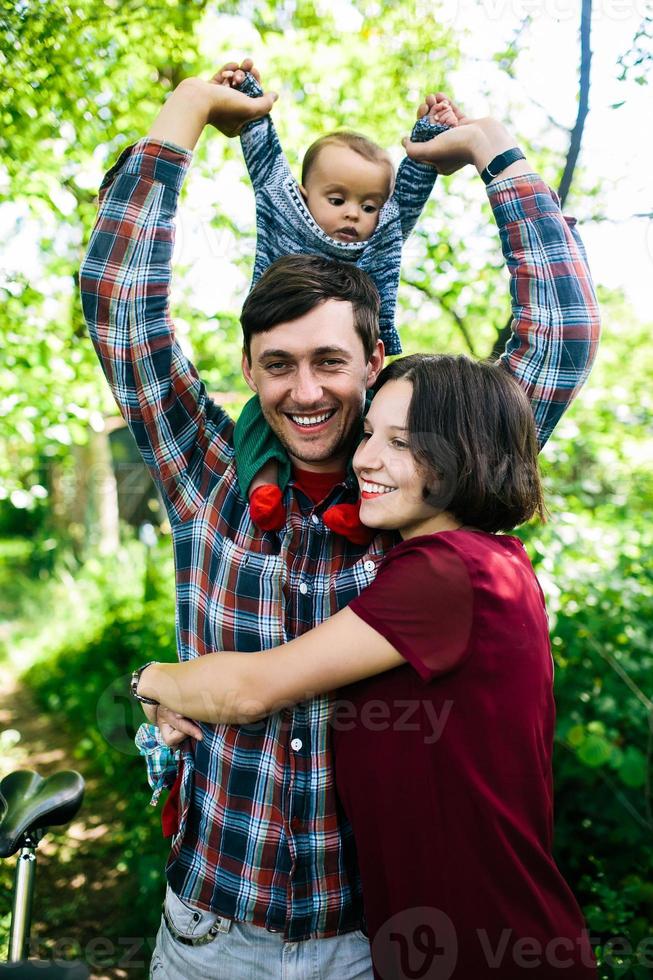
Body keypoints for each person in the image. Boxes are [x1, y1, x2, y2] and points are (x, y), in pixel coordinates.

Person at [80, 59, 600, 980]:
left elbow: (558, 332)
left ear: (374, 362)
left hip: (375, 942)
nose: (305, 389)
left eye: (329, 360)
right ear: (246, 369)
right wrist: (191, 109)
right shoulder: (206, 475)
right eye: (276, 364)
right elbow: (121, 307)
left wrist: (489, 151)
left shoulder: (429, 489)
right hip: (211, 930)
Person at [136, 352, 598, 979]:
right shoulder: (489, 561)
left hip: (488, 945)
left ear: (465, 453)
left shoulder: (446, 572)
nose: (364, 458)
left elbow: (253, 691)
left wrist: (153, 680)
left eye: (401, 442)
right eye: (370, 433)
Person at [217, 59, 456, 534]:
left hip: (366, 376)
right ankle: (264, 485)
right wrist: (247, 96)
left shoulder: (383, 234)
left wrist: (429, 131)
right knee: (255, 419)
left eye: (368, 205)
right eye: (337, 199)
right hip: (275, 318)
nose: (354, 215)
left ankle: (353, 507)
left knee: (370, 423)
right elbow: (265, 163)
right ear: (305, 196)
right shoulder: (285, 213)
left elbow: (410, 189)